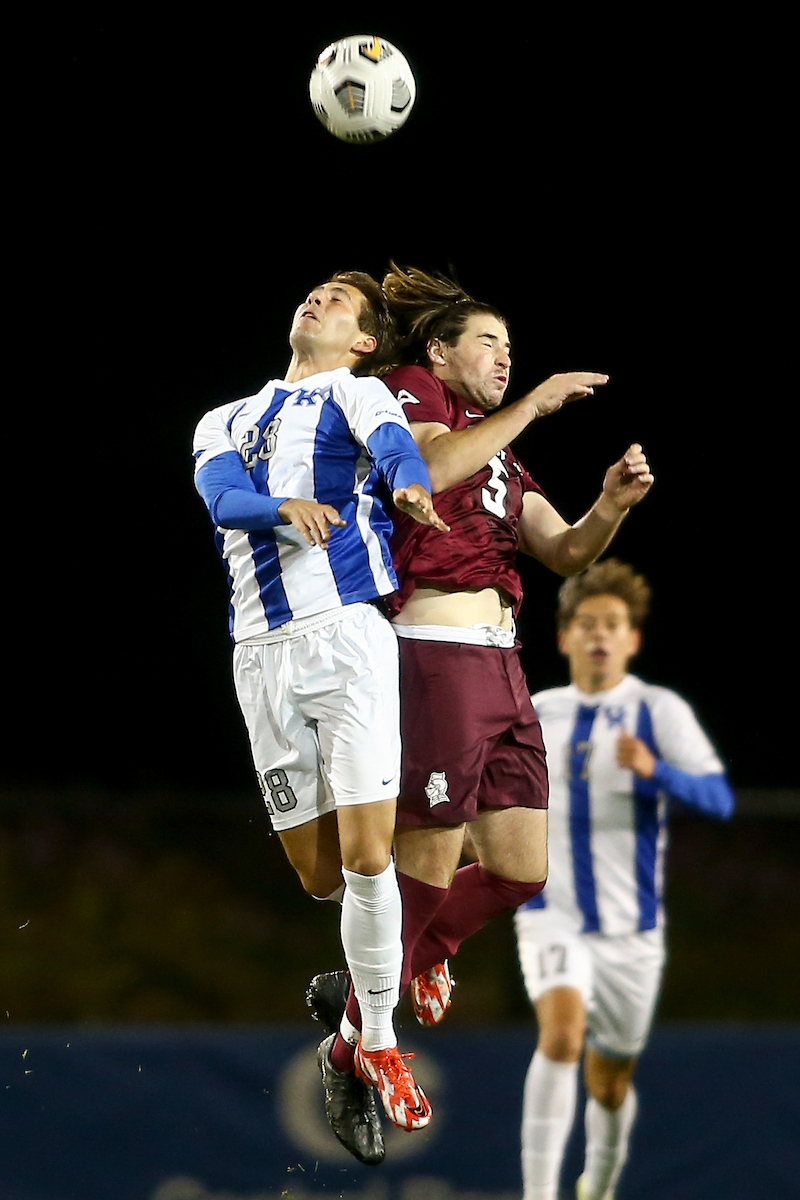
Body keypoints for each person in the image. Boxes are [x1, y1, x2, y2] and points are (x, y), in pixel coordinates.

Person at [308, 265, 654, 1088]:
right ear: (439, 348)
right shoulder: (409, 391)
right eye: (489, 343)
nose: (505, 359)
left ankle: (368, 984)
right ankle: (357, 1042)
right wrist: (529, 403)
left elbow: (565, 551)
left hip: (502, 667)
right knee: (424, 873)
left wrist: (610, 506)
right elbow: (427, 469)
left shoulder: (499, 451)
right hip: (435, 655)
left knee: (519, 870)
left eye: (511, 347)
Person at [192, 272, 449, 1167]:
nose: (315, 301)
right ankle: (405, 936)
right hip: (259, 658)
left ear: (363, 341)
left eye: (338, 302)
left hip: (346, 639)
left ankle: (374, 1038)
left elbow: (396, 448)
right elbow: (224, 501)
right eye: (311, 293)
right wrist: (280, 508)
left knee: (369, 855)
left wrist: (410, 486)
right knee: (319, 875)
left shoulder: (355, 391)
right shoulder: (222, 417)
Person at [514, 559, 735, 1200]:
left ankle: (600, 1184)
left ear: (633, 639)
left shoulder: (657, 711)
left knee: (609, 1082)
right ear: (564, 637)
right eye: (587, 624)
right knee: (560, 1036)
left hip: (633, 931)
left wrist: (656, 772)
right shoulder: (534, 713)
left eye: (613, 625)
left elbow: (718, 799)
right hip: (551, 912)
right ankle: (538, 1193)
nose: (599, 636)